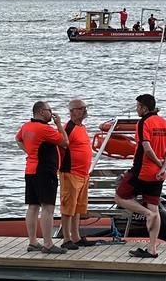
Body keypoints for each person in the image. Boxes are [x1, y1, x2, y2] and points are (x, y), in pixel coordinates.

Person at [114, 94, 166, 258]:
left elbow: (146, 148)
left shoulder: (143, 123)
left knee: (120, 197)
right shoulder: (165, 124)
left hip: (142, 171)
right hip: (158, 175)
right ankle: (152, 249)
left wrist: (157, 162)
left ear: (145, 108)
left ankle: (146, 213)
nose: (137, 109)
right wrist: (163, 167)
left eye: (138, 106)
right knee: (154, 208)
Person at [16, 101, 69, 254]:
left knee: (33, 206)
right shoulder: (45, 129)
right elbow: (65, 142)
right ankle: (48, 243)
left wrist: (28, 152)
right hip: (44, 171)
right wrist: (59, 124)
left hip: (30, 169)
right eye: (49, 110)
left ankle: (33, 242)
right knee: (48, 207)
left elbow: (18, 139)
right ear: (40, 112)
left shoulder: (26, 126)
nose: (51, 113)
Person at [58, 100, 97, 250]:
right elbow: (60, 145)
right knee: (68, 206)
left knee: (78, 208)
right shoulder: (68, 127)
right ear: (72, 111)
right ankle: (66, 238)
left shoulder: (82, 127)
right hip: (71, 173)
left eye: (85, 108)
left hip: (83, 174)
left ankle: (76, 236)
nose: (84, 110)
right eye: (81, 109)